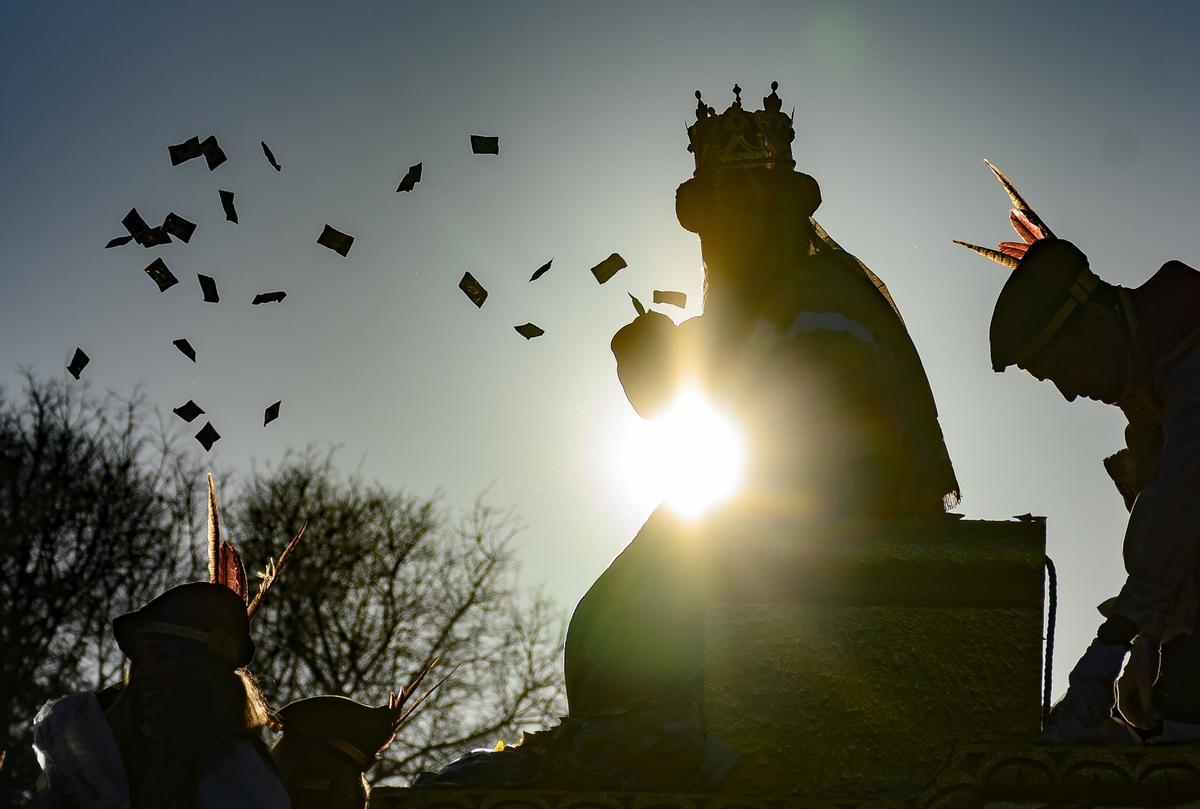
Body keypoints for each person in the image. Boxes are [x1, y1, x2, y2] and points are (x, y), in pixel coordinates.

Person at [565, 83, 960, 717]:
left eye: (725, 227)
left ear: (762, 217)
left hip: (823, 552)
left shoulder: (823, 306)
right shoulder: (767, 309)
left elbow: (825, 451)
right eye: (708, 234)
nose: (711, 251)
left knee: (630, 634)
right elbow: (677, 390)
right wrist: (645, 356)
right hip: (774, 542)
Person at [966, 172, 1200, 743]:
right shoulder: (1150, 408)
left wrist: (1118, 639)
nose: (1070, 393)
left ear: (1093, 322)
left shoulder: (1191, 351)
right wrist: (1151, 642)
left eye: (1061, 370)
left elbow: (1184, 496)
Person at [35, 582, 290, 808]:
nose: (143, 673)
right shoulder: (117, 759)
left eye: (161, 657)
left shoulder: (233, 763)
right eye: (139, 660)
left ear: (201, 671)